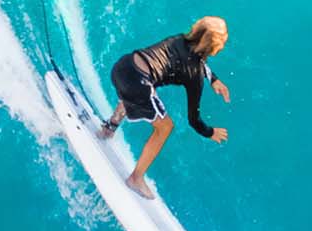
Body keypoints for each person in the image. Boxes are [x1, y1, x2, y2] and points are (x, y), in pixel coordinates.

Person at [95, 16, 232, 199]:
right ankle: (136, 178)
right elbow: (193, 120)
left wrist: (213, 79)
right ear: (215, 48)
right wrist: (209, 132)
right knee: (165, 126)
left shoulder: (178, 39)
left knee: (136, 96)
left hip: (123, 66)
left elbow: (197, 58)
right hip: (138, 83)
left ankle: (108, 129)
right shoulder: (194, 74)